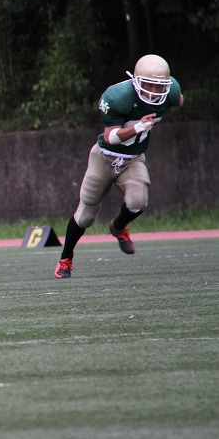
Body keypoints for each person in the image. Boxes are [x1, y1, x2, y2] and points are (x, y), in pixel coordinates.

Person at [54, 54, 183, 279]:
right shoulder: (118, 96)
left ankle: (119, 227)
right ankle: (66, 258)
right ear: (136, 81)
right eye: (149, 84)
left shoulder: (170, 91)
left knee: (138, 201)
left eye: (159, 86)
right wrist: (137, 128)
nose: (154, 91)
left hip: (133, 159)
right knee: (85, 216)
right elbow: (111, 137)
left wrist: (176, 99)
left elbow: (179, 99)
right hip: (104, 157)